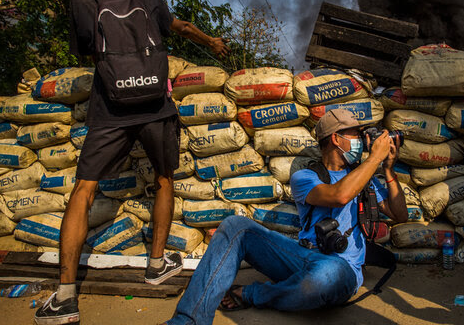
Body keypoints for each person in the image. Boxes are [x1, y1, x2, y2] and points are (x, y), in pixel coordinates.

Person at [34, 0, 229, 325]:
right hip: (156, 105)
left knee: (84, 189)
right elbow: (182, 28)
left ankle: (66, 297)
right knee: (164, 179)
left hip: (110, 108)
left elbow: (86, 52)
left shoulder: (82, 0)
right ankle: (157, 265)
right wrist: (212, 42)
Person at [163, 108, 407, 325]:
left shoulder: (365, 179)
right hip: (302, 256)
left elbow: (400, 214)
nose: (361, 142)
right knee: (235, 225)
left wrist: (387, 169)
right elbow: (339, 195)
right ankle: (187, 321)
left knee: (326, 274)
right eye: (355, 135)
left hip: (342, 271)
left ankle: (251, 295)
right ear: (336, 138)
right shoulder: (305, 177)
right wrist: (374, 158)